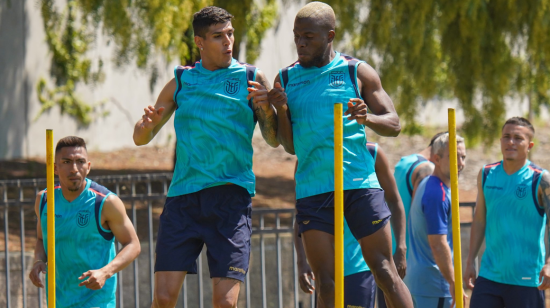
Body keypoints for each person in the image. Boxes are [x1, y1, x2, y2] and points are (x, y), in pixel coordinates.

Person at [133, 6, 279, 308]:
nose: (228, 42)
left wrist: (266, 109)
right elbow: (140, 138)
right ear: (200, 42)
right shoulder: (181, 81)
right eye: (218, 36)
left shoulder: (251, 77)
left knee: (225, 303)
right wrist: (144, 125)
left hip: (230, 200)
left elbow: (274, 139)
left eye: (230, 34)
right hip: (183, 199)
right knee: (162, 299)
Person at [271, 2, 413, 307]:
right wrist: (281, 110)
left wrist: (367, 119)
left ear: (329, 35)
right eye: (297, 36)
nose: (301, 43)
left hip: (358, 184)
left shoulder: (355, 71)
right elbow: (290, 145)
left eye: (308, 36)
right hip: (314, 189)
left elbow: (394, 124)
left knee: (384, 271)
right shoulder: (285, 80)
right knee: (326, 281)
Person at [29, 136, 141, 307]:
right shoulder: (45, 200)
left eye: (80, 161)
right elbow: (40, 239)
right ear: (55, 168)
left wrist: (105, 272)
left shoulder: (105, 202)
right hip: (58, 300)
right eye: (66, 162)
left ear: (88, 167)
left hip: (97, 301)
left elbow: (133, 244)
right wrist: (38, 261)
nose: (74, 169)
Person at [294, 142, 407, 308]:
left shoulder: (371, 152)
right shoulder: (308, 155)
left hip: (358, 263)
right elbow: (301, 214)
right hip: (325, 266)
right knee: (326, 290)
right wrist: (301, 261)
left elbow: (395, 200)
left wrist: (401, 248)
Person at [464, 117, 550, 308]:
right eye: (506, 136)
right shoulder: (486, 174)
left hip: (527, 279)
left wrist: (549, 264)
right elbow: (479, 220)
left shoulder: (541, 180)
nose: (511, 142)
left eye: (518, 138)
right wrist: (470, 261)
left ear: (530, 145)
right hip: (489, 276)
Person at [375, 132, 446, 308]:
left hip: (387, 256)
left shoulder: (404, 163)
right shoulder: (427, 170)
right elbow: (421, 218)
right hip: (410, 265)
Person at [403, 133, 467, 307]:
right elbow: (437, 243)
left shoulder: (429, 184)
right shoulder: (437, 193)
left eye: (463, 157)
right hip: (434, 285)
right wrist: (454, 282)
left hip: (422, 283)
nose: (460, 163)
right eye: (454, 157)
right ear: (437, 159)